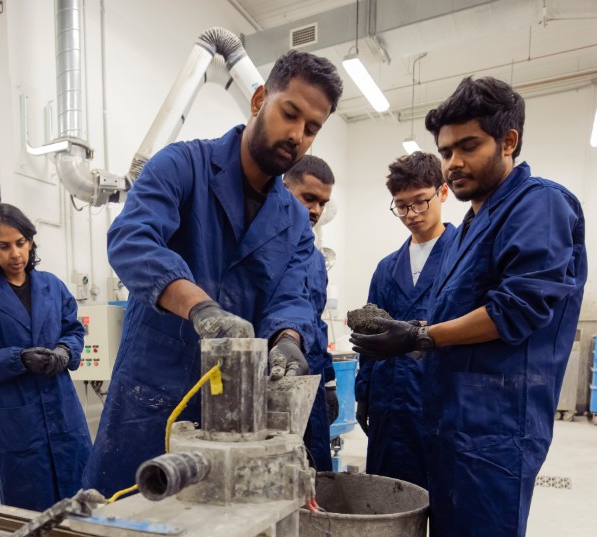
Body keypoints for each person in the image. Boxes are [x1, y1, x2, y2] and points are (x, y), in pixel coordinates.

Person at [350, 77, 587, 537]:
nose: (454, 161)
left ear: (509, 140)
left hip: (494, 431)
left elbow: (518, 308)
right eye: (446, 151)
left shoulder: (538, 204)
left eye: (468, 146)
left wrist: (418, 337)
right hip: (447, 425)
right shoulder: (477, 220)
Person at [83, 50, 344, 497]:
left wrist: (289, 339)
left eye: (312, 128)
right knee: (127, 528)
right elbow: (132, 238)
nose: (297, 135)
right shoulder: (182, 166)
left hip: (238, 410)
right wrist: (199, 308)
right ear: (260, 99)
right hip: (153, 398)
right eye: (290, 113)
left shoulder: (296, 222)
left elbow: (293, 295)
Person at [0, 203, 92, 512]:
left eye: (21, 243)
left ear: (30, 242)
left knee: (80, 497)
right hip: (19, 419)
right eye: (4, 246)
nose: (15, 253)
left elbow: (73, 331)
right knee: (29, 506)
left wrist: (64, 352)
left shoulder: (52, 287)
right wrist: (19, 359)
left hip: (63, 411)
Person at [354, 152, 456, 488]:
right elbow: (368, 335)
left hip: (441, 401)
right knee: (386, 499)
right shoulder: (386, 268)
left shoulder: (463, 256)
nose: (411, 214)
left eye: (420, 202)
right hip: (389, 402)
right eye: (401, 206)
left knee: (441, 501)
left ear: (442, 192)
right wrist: (364, 393)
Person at [283, 154, 338, 472]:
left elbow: (316, 325)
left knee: (315, 473)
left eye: (322, 203)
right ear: (285, 189)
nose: (316, 210)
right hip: (275, 382)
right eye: (308, 198)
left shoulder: (316, 261)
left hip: (313, 380)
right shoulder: (263, 250)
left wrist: (329, 383)